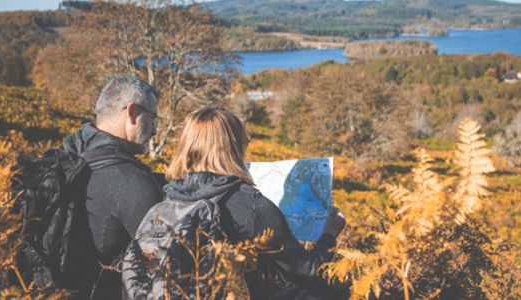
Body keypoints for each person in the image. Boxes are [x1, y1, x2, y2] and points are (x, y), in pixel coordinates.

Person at [162, 107, 348, 300]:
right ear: (234, 149)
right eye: (245, 143)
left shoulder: (168, 196)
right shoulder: (252, 205)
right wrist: (330, 234)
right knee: (336, 290)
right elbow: (308, 271)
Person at [60, 75, 164, 299]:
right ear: (132, 112)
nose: (154, 131)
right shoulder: (133, 183)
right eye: (153, 118)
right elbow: (165, 271)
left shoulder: (67, 159)